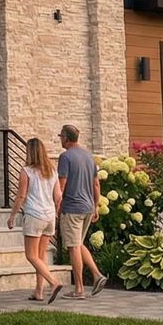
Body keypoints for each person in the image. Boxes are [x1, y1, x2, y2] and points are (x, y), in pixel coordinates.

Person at [7, 135, 64, 303]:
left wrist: (12, 216)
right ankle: (38, 291)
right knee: (40, 256)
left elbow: (21, 196)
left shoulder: (26, 171)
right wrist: (58, 212)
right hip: (49, 217)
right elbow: (58, 195)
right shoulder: (52, 170)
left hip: (34, 216)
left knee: (31, 256)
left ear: (29, 152)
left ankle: (53, 282)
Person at [56, 124, 107, 298]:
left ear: (66, 138)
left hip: (72, 208)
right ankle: (97, 275)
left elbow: (61, 185)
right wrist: (95, 206)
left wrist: (56, 205)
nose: (60, 140)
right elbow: (96, 184)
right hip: (87, 208)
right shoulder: (88, 156)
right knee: (78, 243)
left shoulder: (65, 157)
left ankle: (79, 289)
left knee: (73, 246)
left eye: (60, 137)